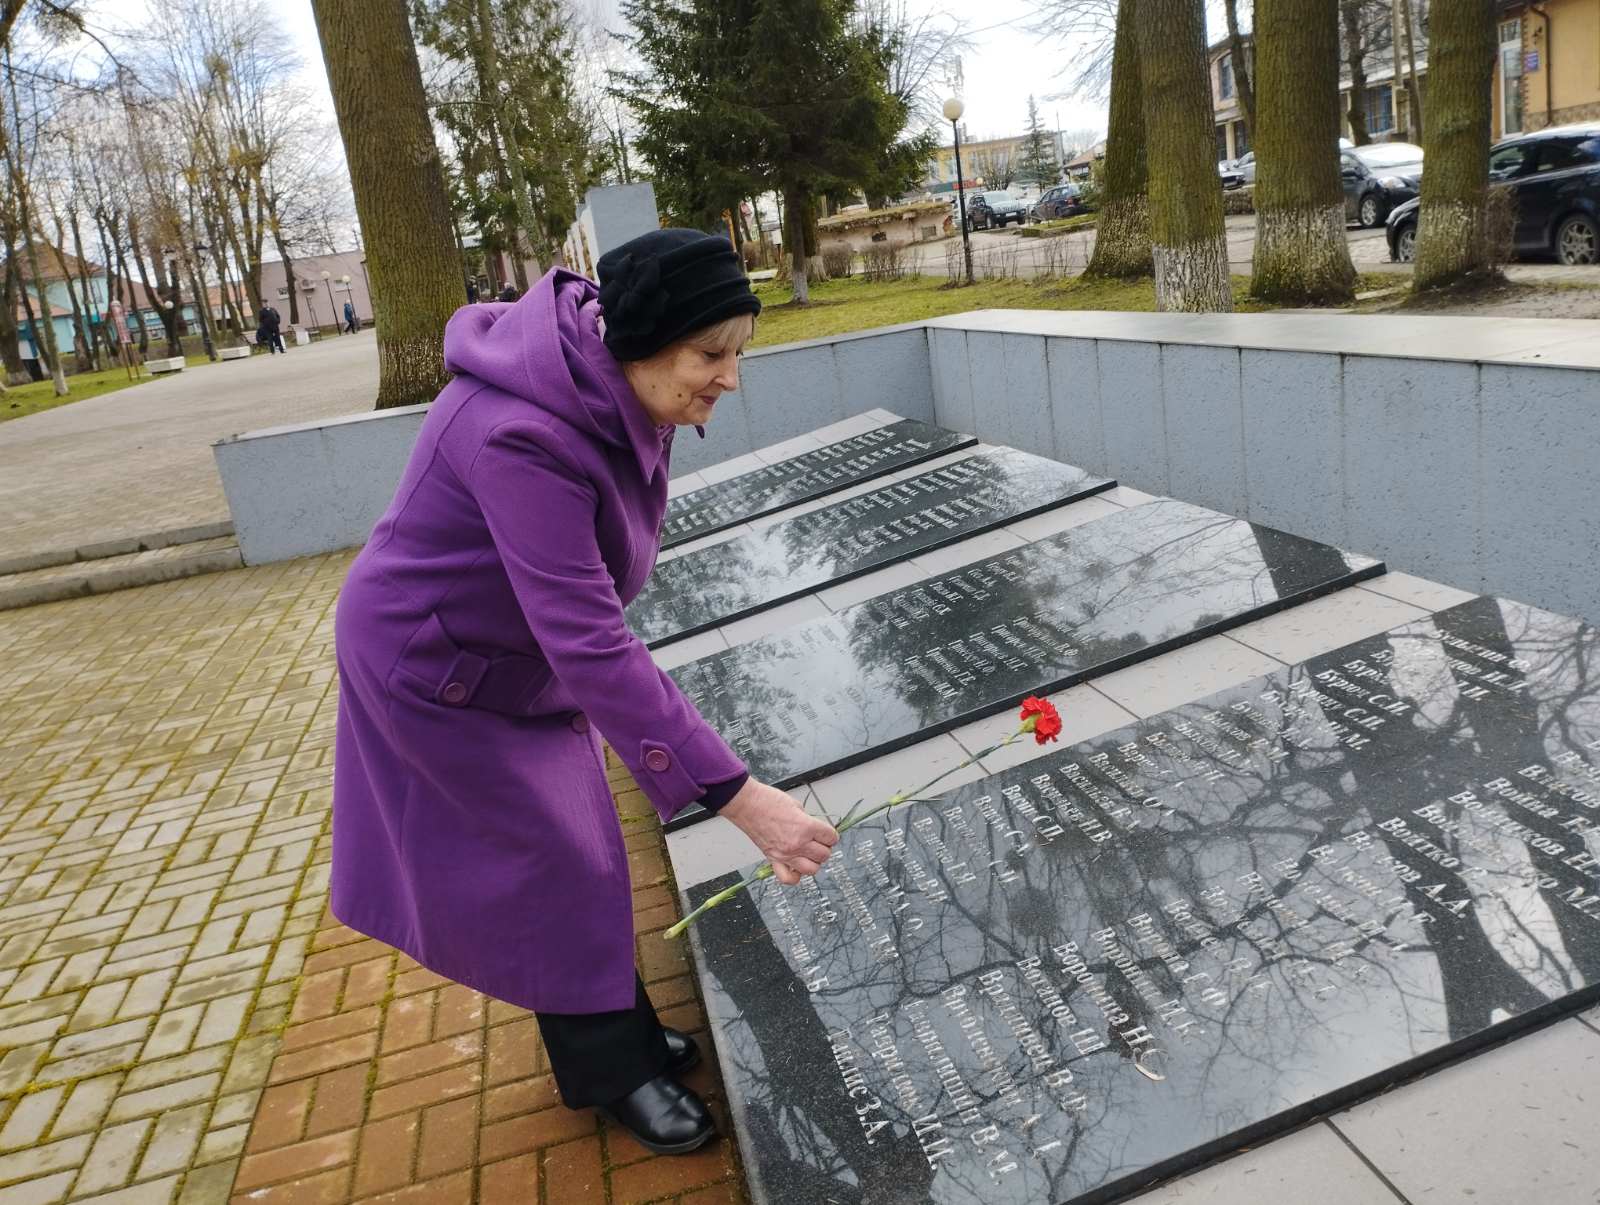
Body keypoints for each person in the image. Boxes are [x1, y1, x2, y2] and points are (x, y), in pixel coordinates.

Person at [330, 229, 837, 1159]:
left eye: (738, 353)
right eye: (711, 355)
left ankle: (622, 1035)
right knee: (553, 859)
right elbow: (591, 635)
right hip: (438, 668)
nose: (729, 377)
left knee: (584, 848)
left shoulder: (617, 383)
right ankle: (610, 1070)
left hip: (514, 650)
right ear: (643, 341)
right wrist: (736, 794)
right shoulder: (522, 431)